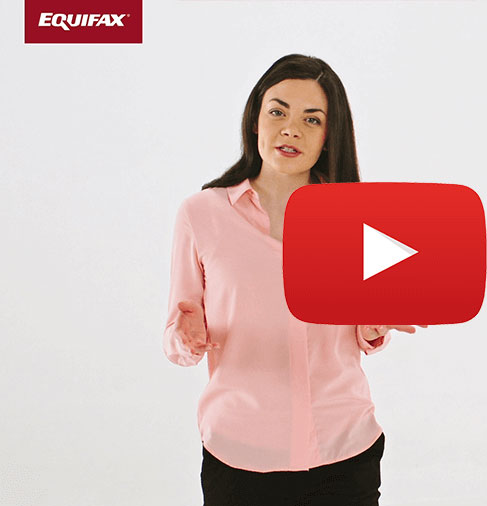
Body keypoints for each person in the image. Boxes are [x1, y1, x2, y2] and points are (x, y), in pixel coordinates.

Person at [162, 54, 425, 506]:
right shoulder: (201, 215)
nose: (291, 129)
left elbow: (362, 333)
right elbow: (176, 333)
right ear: (255, 121)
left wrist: (375, 325)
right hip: (239, 454)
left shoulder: (357, 219)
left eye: (311, 119)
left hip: (344, 449)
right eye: (278, 112)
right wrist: (185, 336)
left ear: (328, 136)